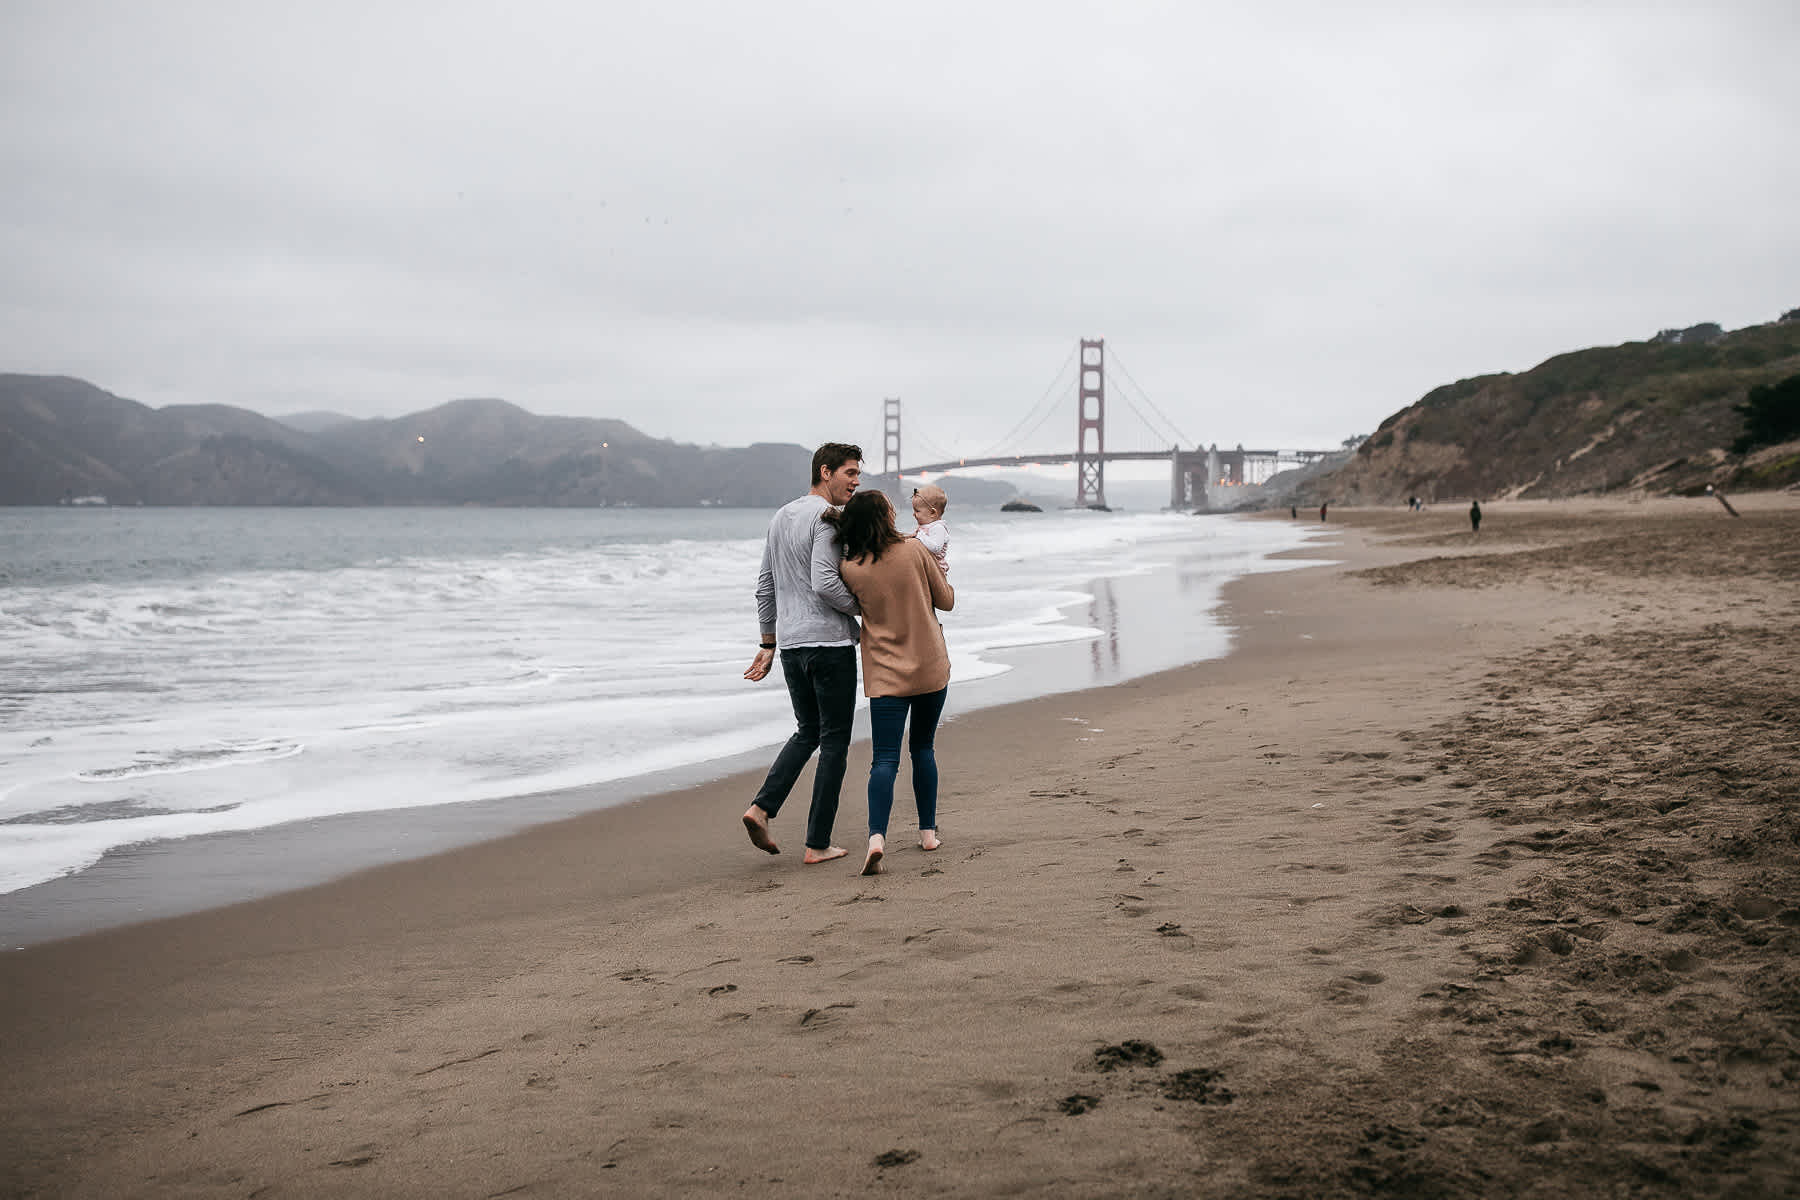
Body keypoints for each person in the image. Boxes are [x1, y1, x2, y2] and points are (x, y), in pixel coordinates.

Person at [741, 443, 864, 865]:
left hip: (793, 646)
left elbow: (764, 586)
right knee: (834, 742)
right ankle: (817, 843)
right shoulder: (829, 519)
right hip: (828, 645)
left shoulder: (781, 516)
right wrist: (865, 609)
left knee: (807, 732)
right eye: (849, 472)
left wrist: (768, 643)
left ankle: (760, 808)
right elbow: (826, 583)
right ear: (825, 471)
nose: (856, 480)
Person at [828, 491, 955, 876]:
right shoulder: (915, 550)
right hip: (929, 666)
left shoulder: (850, 567)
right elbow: (946, 601)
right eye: (891, 508)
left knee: (884, 758)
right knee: (923, 749)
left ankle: (876, 839)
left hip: (884, 673)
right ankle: (928, 833)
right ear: (884, 517)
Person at [908, 484, 950, 575]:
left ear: (932, 512)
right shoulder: (926, 527)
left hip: (937, 570)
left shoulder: (938, 528)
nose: (913, 514)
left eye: (917, 511)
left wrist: (919, 536)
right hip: (928, 567)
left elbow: (935, 548)